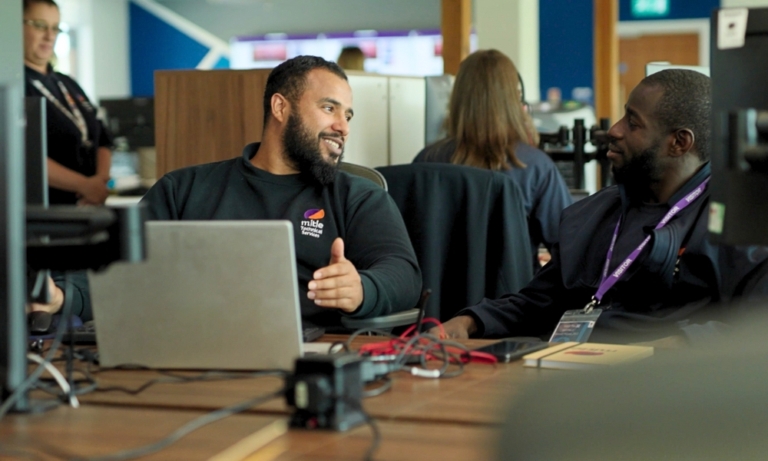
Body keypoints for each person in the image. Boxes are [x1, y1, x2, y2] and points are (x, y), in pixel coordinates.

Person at [434, 69, 768, 344]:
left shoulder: (738, 220)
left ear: (679, 142)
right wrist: (470, 322)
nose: (614, 130)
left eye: (633, 123)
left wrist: (670, 350)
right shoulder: (600, 211)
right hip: (570, 372)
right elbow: (539, 301)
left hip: (664, 391)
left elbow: (753, 329)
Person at [141, 55, 422, 329]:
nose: (343, 127)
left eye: (347, 115)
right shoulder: (182, 189)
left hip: (314, 352)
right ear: (280, 107)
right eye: (329, 108)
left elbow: (404, 274)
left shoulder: (357, 196)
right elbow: (116, 269)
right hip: (190, 345)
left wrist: (362, 289)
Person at [413, 49, 572, 258]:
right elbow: (572, 248)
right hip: (515, 291)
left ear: (457, 99)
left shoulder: (425, 160)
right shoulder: (534, 166)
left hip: (438, 291)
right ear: (516, 99)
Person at [23, 0, 112, 206]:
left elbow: (103, 139)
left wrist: (98, 183)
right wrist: (83, 185)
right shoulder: (14, 86)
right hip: (45, 209)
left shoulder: (67, 82)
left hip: (89, 205)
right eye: (39, 25)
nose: (49, 35)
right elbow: (23, 155)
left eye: (55, 28)